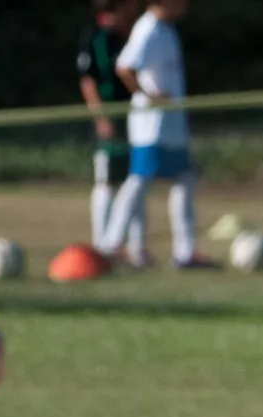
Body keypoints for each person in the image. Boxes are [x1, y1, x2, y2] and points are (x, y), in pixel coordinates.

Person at [98, 0, 216, 268]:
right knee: (139, 181)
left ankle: (185, 253)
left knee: (184, 181)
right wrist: (147, 95)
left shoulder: (166, 29)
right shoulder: (147, 29)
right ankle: (111, 244)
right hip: (151, 125)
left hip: (172, 125)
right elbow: (125, 67)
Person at [77, 0, 149, 262]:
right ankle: (102, 245)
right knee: (106, 180)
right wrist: (101, 116)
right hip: (110, 116)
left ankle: (135, 247)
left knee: (135, 179)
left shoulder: (129, 36)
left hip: (133, 117)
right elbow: (88, 80)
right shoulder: (95, 38)